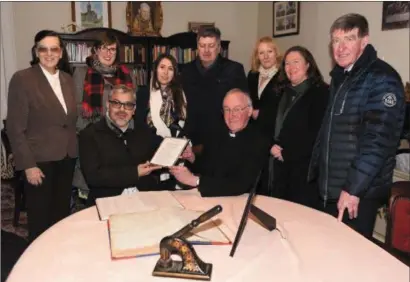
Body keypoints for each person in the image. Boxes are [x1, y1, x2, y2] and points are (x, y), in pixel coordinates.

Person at [308, 14, 405, 238]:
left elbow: (377, 141)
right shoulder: (341, 77)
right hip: (331, 187)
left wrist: (353, 188)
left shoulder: (382, 78)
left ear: (364, 41)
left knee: (351, 260)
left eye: (349, 39)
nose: (341, 48)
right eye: (335, 40)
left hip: (358, 193)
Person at [6, 30, 77, 242]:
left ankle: (59, 258)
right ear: (36, 52)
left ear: (61, 52)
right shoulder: (23, 79)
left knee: (60, 216)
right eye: (43, 49)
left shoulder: (67, 79)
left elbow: (69, 120)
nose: (49, 53)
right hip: (39, 162)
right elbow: (15, 127)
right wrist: (28, 165)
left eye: (54, 48)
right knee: (40, 221)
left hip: (67, 157)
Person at [79, 85, 173, 206]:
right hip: (108, 203)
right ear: (108, 105)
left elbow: (162, 148)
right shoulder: (90, 135)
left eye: (128, 105)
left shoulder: (144, 130)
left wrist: (180, 149)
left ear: (134, 110)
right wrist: (135, 173)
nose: (122, 110)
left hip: (145, 199)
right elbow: (94, 177)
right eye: (116, 103)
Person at [169, 89, 270, 197]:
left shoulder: (259, 141)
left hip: (240, 203)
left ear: (249, 111)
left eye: (237, 109)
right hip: (212, 199)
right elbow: (208, 168)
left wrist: (195, 181)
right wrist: (192, 158)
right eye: (227, 109)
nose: (232, 115)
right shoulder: (217, 134)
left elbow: (240, 184)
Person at [72, 32, 135, 199]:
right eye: (104, 48)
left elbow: (131, 106)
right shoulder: (81, 73)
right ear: (95, 50)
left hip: (119, 139)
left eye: (112, 50)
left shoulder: (127, 74)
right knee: (93, 198)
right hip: (92, 137)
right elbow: (76, 108)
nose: (108, 54)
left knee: (118, 191)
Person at [266, 46, 328, 207]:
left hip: (303, 172)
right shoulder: (279, 91)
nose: (291, 68)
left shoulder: (321, 92)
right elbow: (265, 124)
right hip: (276, 168)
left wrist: (287, 153)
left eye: (296, 62)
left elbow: (317, 133)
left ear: (308, 65)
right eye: (287, 63)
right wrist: (270, 145)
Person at [181, 27, 248, 156]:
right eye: (202, 45)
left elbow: (243, 107)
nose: (206, 50)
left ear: (218, 47)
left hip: (223, 141)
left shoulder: (234, 70)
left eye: (211, 46)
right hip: (193, 141)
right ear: (197, 47)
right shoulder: (187, 71)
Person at [134, 53, 189, 188]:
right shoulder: (144, 93)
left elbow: (185, 125)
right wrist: (162, 144)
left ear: (174, 73)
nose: (165, 72)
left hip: (175, 156)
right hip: (150, 155)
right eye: (162, 67)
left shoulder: (181, 95)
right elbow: (139, 126)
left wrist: (176, 147)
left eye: (170, 69)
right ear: (155, 69)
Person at [247, 36, 281, 121]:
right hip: (252, 127)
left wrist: (262, 114)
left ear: (276, 53)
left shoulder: (283, 76)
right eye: (261, 53)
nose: (266, 56)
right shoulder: (252, 74)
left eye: (270, 51)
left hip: (272, 128)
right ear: (257, 56)